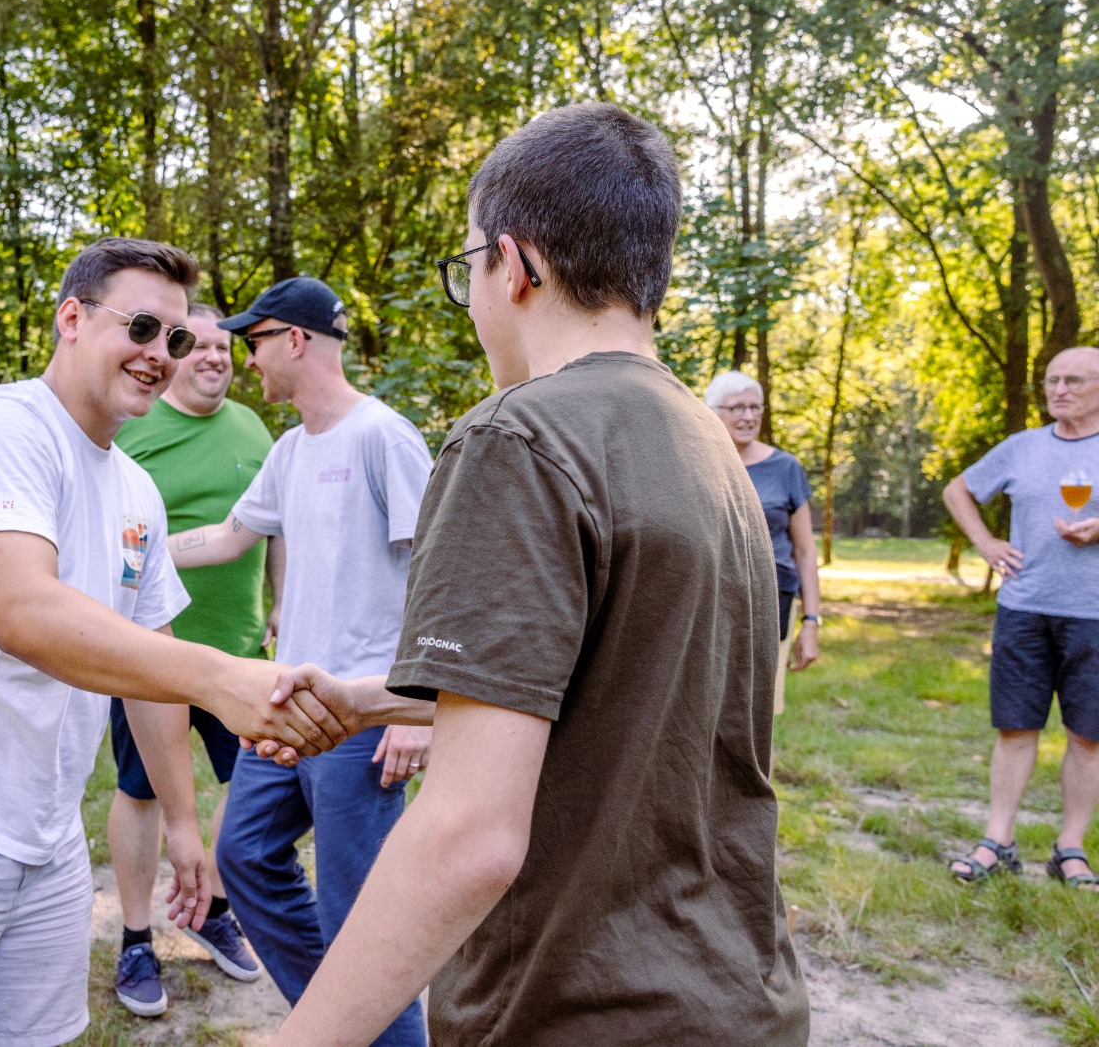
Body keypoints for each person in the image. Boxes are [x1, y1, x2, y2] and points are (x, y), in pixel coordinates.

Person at [265, 102, 810, 1046]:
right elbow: (614, 689)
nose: (473, 295)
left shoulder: (517, 436)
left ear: (514, 265)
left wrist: (295, 1039)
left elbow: (467, 838)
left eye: (468, 267)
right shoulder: (706, 444)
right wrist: (368, 697)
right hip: (735, 995)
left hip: (578, 1009)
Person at [0, 238, 345, 1047]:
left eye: (177, 339)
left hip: (45, 837)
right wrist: (222, 676)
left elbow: (145, 665)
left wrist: (186, 829)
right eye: (144, 327)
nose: (161, 354)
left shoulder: (137, 490)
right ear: (72, 318)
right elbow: (25, 612)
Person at [167, 276, 435, 1047]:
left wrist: (415, 709)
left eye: (254, 342)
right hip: (288, 705)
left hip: (360, 712)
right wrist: (137, 548)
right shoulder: (291, 449)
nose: (246, 358)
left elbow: (437, 573)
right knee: (243, 855)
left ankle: (369, 1029)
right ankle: (336, 1023)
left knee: (362, 917)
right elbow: (227, 535)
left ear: (297, 340)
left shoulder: (383, 436)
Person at [106, 303, 277, 1014]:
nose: (213, 356)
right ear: (172, 354)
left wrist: (282, 609)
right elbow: (110, 536)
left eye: (224, 347)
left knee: (252, 787)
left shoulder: (255, 428)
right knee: (142, 791)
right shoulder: (132, 429)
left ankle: (210, 907)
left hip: (239, 651)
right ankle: (138, 936)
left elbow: (276, 527)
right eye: (197, 344)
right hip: (152, 658)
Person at [943, 345, 1099, 890]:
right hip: (1024, 609)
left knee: (1088, 736)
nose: (1058, 390)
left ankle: (1070, 848)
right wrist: (985, 542)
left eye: (1073, 381)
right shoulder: (1022, 447)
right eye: (1052, 381)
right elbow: (957, 489)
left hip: (1093, 614)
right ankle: (998, 841)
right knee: (1015, 727)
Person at [707, 370, 822, 717]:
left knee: (758, 713)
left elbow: (804, 550)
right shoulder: (700, 462)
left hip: (773, 601)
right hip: (712, 601)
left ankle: (758, 773)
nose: (749, 416)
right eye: (738, 408)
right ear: (714, 412)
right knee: (708, 710)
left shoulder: (785, 467)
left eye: (755, 407)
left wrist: (812, 620)